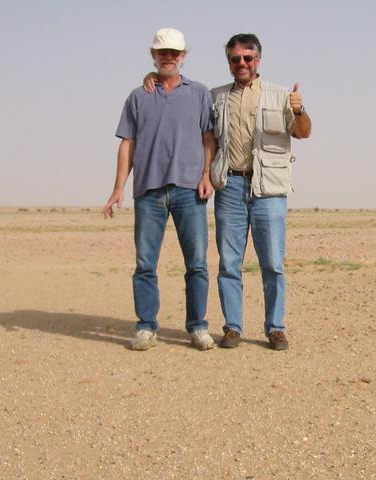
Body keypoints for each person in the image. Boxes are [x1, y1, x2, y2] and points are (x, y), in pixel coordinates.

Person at [145, 33, 311, 350]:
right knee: (229, 263)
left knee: (273, 264)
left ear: (258, 60)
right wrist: (153, 76)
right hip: (230, 187)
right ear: (229, 62)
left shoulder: (280, 96)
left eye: (248, 58)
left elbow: (302, 133)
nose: (242, 63)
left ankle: (275, 328)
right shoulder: (215, 96)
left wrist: (300, 111)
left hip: (268, 189)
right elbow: (181, 98)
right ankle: (232, 327)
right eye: (236, 59)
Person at [103, 28, 217, 351]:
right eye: (162, 52)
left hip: (189, 190)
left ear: (184, 56)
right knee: (145, 264)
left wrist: (207, 174)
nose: (169, 57)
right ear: (153, 55)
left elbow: (210, 138)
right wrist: (118, 188)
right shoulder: (139, 96)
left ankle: (197, 327)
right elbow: (128, 143)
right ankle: (146, 326)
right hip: (149, 190)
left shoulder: (199, 93)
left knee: (196, 263)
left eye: (174, 52)